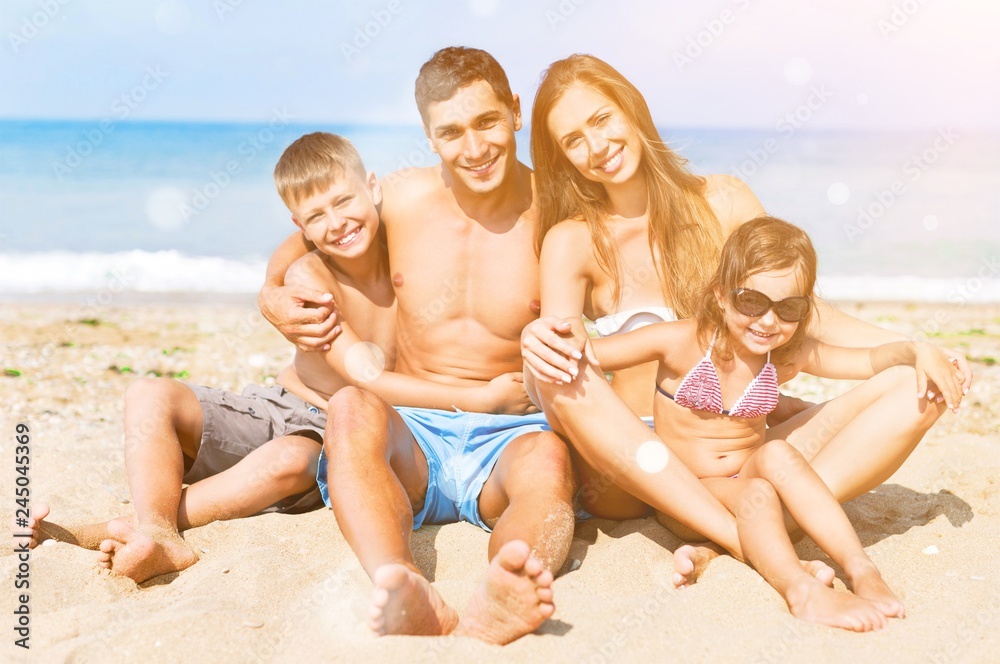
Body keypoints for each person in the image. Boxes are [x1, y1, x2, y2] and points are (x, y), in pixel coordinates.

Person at [519, 54, 971, 580]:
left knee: (913, 386)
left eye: (601, 119)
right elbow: (556, 367)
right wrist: (537, 346)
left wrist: (918, 348)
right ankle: (742, 538)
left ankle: (732, 534)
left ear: (631, 109)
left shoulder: (723, 202)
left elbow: (803, 313)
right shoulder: (572, 241)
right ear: (563, 157)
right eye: (573, 140)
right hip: (635, 464)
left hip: (737, 448)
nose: (596, 147)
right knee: (559, 368)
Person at [18, 132, 532, 585]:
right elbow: (366, 374)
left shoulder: (406, 240)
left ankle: (128, 525)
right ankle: (155, 529)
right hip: (281, 405)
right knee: (149, 392)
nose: (337, 223)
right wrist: (479, 396)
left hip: (341, 431)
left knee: (292, 459)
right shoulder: (312, 279)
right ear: (300, 224)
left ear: (373, 189)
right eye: (316, 216)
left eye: (343, 202)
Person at [259, 48, 576, 645]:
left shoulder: (559, 207)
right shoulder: (403, 199)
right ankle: (399, 580)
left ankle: (508, 581)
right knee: (351, 408)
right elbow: (312, 235)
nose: (475, 147)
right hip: (414, 431)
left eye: (486, 122)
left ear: (514, 111)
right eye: (452, 132)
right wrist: (270, 292)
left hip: (511, 429)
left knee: (549, 462)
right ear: (430, 137)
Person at [593, 217, 963, 630]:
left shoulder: (784, 355)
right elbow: (592, 355)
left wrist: (918, 351)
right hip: (691, 493)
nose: (768, 321)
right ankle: (799, 592)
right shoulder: (679, 341)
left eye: (788, 308)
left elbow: (871, 361)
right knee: (758, 493)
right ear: (720, 294)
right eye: (751, 301)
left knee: (778, 454)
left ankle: (862, 570)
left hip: (751, 472)